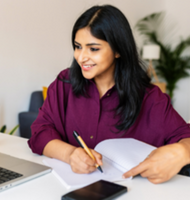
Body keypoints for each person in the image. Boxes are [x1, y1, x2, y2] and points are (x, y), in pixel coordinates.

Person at [28, 5, 190, 184]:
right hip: (65, 189)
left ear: (118, 50)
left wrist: (183, 152)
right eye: (78, 47)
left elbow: (185, 136)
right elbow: (40, 133)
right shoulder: (65, 83)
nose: (81, 57)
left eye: (93, 49)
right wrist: (70, 154)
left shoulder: (150, 98)